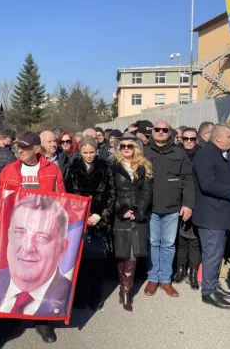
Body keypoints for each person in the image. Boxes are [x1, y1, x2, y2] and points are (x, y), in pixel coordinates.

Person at [0, 131, 65, 346]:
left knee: (42, 275)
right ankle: (6, 323)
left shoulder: (52, 170)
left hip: (43, 232)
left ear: (37, 149)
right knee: (12, 277)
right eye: (18, 147)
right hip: (17, 232)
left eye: (24, 147)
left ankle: (42, 321)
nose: (19, 151)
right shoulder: (9, 170)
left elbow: (62, 200)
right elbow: (1, 200)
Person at [0, 196, 71, 315]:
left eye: (42, 237)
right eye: (19, 233)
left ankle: (44, 325)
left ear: (62, 248)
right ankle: (3, 324)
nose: (28, 248)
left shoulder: (68, 291)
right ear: (9, 235)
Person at [193, 123, 230, 310]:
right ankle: (208, 292)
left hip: (220, 215)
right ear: (218, 138)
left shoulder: (219, 154)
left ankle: (213, 285)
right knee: (212, 254)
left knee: (217, 255)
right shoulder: (206, 155)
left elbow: (227, 179)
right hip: (211, 215)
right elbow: (208, 184)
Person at [63, 136, 115, 310]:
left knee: (97, 262)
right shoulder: (73, 167)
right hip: (79, 219)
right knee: (79, 261)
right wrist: (79, 215)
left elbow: (110, 194)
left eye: (91, 152)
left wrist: (98, 215)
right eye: (85, 152)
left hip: (99, 220)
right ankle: (79, 297)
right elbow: (67, 193)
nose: (88, 156)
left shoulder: (105, 167)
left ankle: (95, 296)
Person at [143, 121, 194, 298]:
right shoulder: (143, 152)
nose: (161, 132)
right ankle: (152, 278)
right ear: (153, 132)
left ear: (169, 133)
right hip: (150, 207)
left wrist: (188, 204)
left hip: (173, 207)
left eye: (165, 130)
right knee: (152, 243)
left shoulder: (179, 153)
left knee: (168, 244)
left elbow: (188, 179)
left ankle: (165, 279)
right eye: (158, 129)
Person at [111, 133, 152, 311]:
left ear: (135, 148)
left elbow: (146, 191)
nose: (126, 148)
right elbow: (110, 191)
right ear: (119, 148)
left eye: (130, 146)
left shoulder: (144, 166)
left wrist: (138, 210)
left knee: (133, 253)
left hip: (137, 215)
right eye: (123, 146)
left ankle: (125, 291)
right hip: (120, 214)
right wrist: (122, 210)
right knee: (122, 253)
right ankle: (123, 287)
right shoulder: (113, 166)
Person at [173, 128, 201, 289]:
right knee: (181, 238)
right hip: (178, 199)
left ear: (196, 139)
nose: (189, 141)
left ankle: (193, 271)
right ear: (181, 139)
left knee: (195, 239)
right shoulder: (176, 154)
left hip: (198, 201)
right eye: (186, 138)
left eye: (192, 138)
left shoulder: (202, 155)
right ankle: (180, 269)